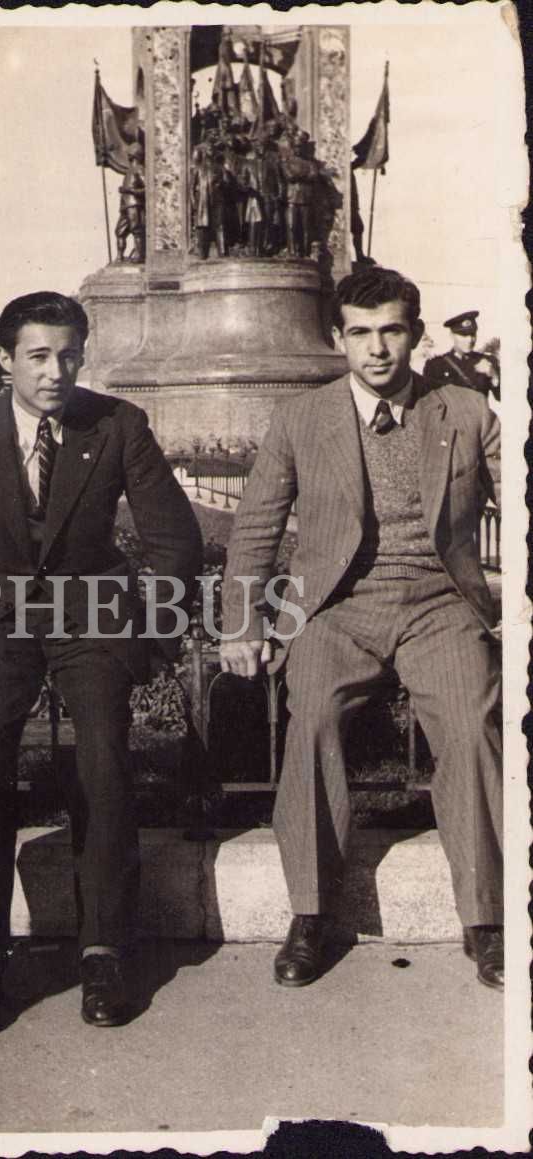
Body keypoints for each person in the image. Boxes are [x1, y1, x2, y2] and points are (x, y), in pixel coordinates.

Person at [0, 291, 202, 1037]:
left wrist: (151, 639)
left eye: (68, 355)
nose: (55, 372)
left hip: (90, 613)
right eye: (37, 356)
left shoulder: (118, 425)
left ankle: (105, 953)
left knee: (103, 759)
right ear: (5, 360)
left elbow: (174, 539)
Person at [221, 267, 503, 991]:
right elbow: (256, 527)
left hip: (438, 604)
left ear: (415, 333)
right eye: (360, 333)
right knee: (311, 715)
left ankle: (487, 919)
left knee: (469, 725)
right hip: (335, 608)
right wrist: (242, 623)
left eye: (391, 331)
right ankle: (311, 912)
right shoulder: (301, 418)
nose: (376, 349)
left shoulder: (465, 412)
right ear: (338, 338)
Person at [423, 310, 500, 401]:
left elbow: (504, 398)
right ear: (452, 336)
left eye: (473, 334)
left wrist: (494, 376)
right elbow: (427, 402)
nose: (470, 340)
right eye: (464, 335)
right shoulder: (436, 366)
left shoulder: (488, 361)